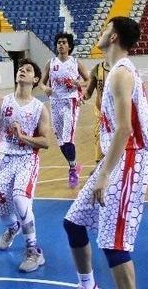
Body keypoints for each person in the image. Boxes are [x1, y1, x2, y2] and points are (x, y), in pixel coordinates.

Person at [63, 16, 148, 289]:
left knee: (114, 245)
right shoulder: (113, 71)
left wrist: (103, 174)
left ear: (113, 37)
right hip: (116, 159)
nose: (101, 33)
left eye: (105, 29)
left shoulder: (122, 74)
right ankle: (87, 284)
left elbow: (125, 129)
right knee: (74, 223)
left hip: (130, 161)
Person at [0, 59, 50, 273]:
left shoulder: (40, 108)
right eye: (21, 68)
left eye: (29, 70)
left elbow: (45, 141)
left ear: (35, 80)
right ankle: (12, 228)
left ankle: (34, 251)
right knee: (3, 212)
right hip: (4, 160)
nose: (23, 70)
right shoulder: (2, 101)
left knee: (20, 200)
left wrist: (23, 137)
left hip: (26, 159)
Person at [41, 32, 90, 187]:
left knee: (68, 138)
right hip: (54, 102)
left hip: (70, 102)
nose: (61, 45)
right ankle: (74, 165)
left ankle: (72, 169)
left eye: (64, 42)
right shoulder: (51, 63)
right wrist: (45, 88)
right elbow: (41, 83)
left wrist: (78, 84)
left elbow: (89, 80)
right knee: (61, 141)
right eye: (59, 42)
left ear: (69, 46)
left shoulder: (76, 62)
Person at [82, 59, 111, 167]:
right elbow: (89, 91)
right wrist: (82, 96)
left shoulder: (121, 67)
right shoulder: (97, 68)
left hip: (118, 112)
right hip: (101, 112)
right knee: (99, 135)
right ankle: (99, 167)